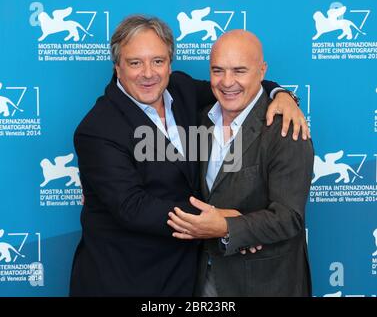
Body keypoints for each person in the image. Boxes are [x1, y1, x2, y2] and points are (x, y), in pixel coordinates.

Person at [69, 15, 309, 296]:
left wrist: (281, 94)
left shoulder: (180, 90)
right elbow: (133, 207)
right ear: (117, 67)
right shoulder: (97, 129)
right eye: (135, 63)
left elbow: (232, 86)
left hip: (186, 276)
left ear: (170, 64)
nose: (148, 73)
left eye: (158, 61)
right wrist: (227, 224)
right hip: (125, 277)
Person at [167, 30, 314, 296]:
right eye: (217, 70)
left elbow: (289, 218)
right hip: (205, 277)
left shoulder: (286, 130)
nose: (227, 82)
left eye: (239, 70)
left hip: (266, 284)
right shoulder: (201, 120)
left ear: (262, 71)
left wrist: (228, 227)